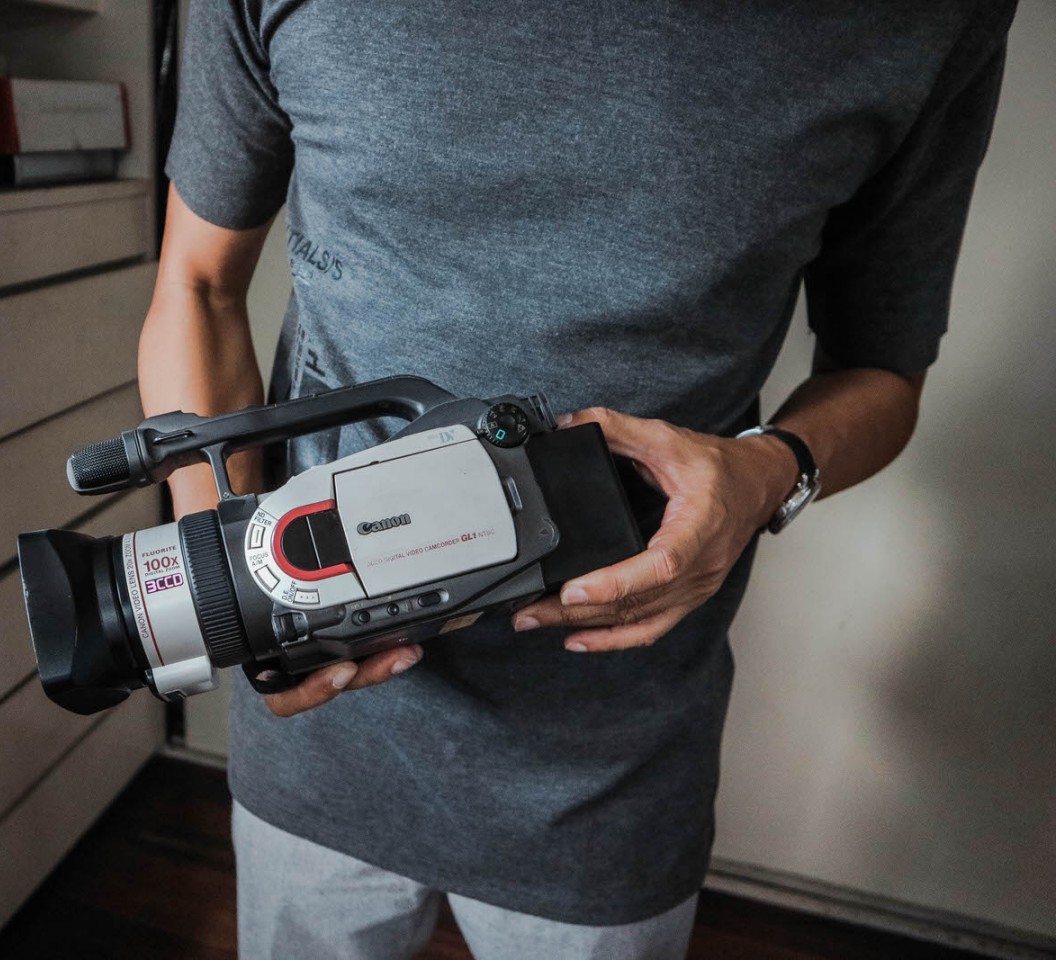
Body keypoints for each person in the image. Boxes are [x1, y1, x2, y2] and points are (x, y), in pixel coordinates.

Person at [137, 2, 1016, 957]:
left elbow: (883, 373)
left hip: (612, 756)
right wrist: (230, 590)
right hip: (324, 701)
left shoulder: (933, 17)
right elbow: (198, 285)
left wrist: (769, 473)